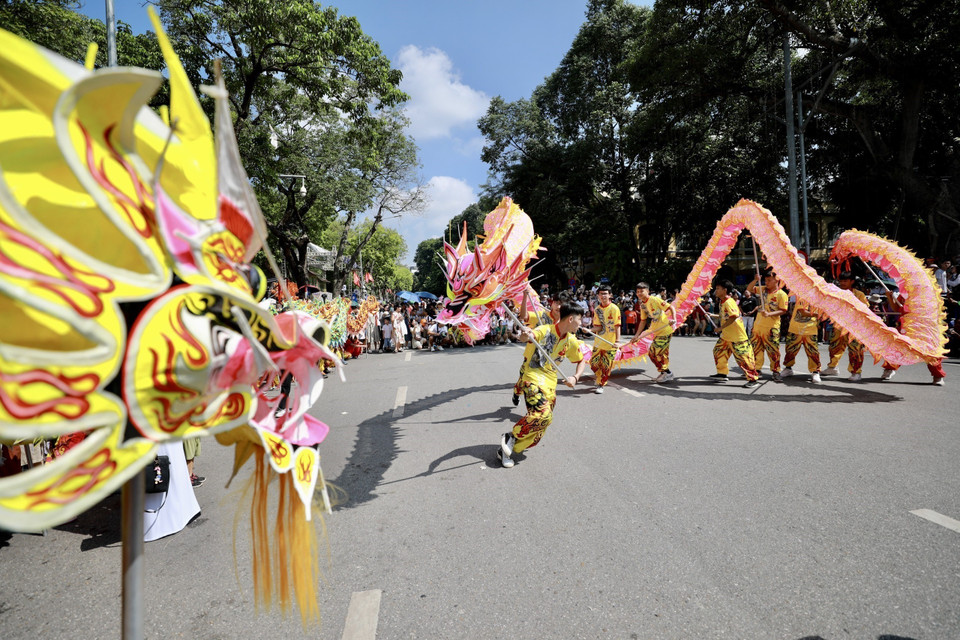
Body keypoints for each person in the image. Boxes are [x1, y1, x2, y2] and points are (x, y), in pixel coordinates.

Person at [497, 301, 589, 468]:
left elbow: (581, 360)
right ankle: (512, 436)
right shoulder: (544, 330)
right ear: (570, 319)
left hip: (549, 384)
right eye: (579, 319)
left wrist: (575, 377)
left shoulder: (571, 340)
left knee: (542, 427)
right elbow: (525, 337)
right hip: (532, 378)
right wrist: (525, 334)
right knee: (543, 414)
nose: (581, 323)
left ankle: (507, 449)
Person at [879, 290, 946, 385]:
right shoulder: (904, 293)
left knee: (931, 351)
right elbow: (897, 308)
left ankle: (937, 375)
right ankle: (889, 369)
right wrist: (890, 297)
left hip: (924, 328)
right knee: (897, 348)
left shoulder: (928, 292)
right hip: (906, 326)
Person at [711, 279, 760, 388]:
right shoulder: (722, 302)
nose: (716, 291)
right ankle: (722, 374)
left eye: (718, 289)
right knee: (718, 352)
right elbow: (725, 316)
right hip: (726, 336)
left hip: (737, 337)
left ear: (725, 290)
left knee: (744, 358)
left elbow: (733, 316)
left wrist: (720, 328)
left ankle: (753, 379)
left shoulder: (729, 302)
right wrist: (712, 315)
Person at [627, 282, 676, 383]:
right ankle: (664, 372)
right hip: (656, 331)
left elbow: (671, 307)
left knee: (656, 352)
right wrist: (636, 336)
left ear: (647, 291)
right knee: (652, 354)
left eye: (642, 291)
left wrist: (673, 319)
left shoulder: (654, 299)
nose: (639, 293)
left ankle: (667, 372)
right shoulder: (642, 305)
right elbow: (643, 321)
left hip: (665, 331)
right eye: (637, 292)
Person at [825, 271, 867, 381]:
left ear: (852, 281)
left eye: (845, 281)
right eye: (841, 281)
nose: (842, 283)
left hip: (854, 327)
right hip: (839, 325)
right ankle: (832, 367)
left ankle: (856, 372)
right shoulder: (836, 292)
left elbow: (865, 309)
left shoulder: (859, 295)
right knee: (834, 346)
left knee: (855, 349)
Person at [748, 269, 788, 382]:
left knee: (773, 351)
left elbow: (783, 310)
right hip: (758, 326)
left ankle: (776, 371)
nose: (767, 282)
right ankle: (757, 369)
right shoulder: (762, 290)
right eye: (765, 280)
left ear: (777, 280)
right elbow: (749, 289)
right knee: (756, 349)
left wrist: (769, 314)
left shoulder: (781, 294)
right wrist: (755, 280)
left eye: (769, 280)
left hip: (771, 327)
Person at [781, 297, 822, 383]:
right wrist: (817, 315)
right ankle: (788, 368)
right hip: (796, 328)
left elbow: (820, 314)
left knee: (813, 351)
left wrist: (820, 321)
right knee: (791, 350)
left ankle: (815, 371)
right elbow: (802, 312)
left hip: (811, 329)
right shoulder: (801, 297)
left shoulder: (818, 299)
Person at [589, 285, 621, 393]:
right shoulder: (597, 309)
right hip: (599, 342)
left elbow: (617, 326)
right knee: (593, 364)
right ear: (598, 295)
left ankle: (600, 384)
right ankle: (599, 377)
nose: (603, 296)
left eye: (605, 293)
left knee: (606, 366)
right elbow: (599, 327)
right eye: (601, 294)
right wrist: (589, 330)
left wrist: (617, 341)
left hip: (610, 343)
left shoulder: (614, 308)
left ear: (610, 295)